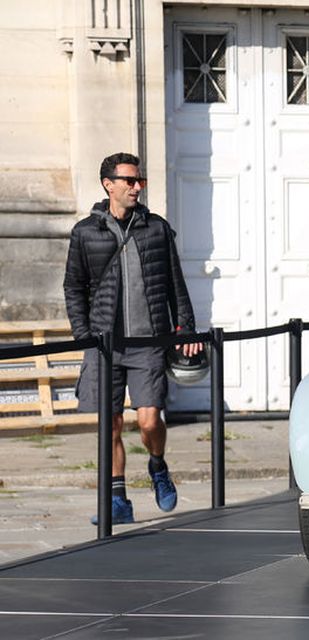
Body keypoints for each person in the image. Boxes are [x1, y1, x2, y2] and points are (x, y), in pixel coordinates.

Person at [63, 152, 202, 524]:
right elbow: (74, 288)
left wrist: (184, 328)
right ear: (108, 184)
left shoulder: (156, 229)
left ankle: (157, 466)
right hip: (104, 346)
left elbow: (176, 284)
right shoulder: (84, 233)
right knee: (108, 426)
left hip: (147, 344)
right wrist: (83, 336)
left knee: (149, 421)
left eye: (140, 180)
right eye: (129, 181)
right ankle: (118, 500)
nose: (137, 187)